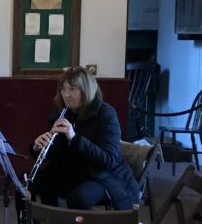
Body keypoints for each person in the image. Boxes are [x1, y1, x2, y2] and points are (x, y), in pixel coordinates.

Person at [29, 65, 140, 209]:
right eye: (63, 89)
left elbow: (109, 160)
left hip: (102, 175)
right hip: (73, 172)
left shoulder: (105, 113)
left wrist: (75, 138)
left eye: (72, 89)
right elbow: (56, 155)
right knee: (26, 184)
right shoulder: (60, 112)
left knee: (79, 197)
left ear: (86, 90)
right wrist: (38, 148)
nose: (66, 95)